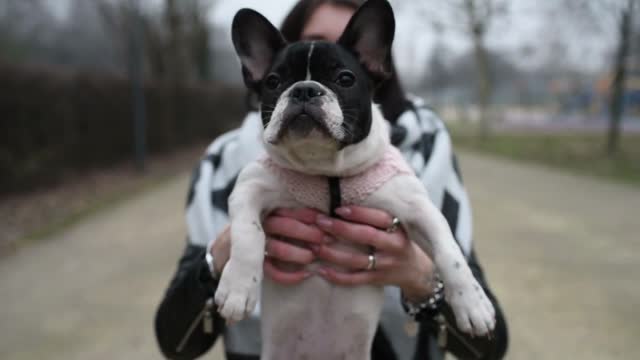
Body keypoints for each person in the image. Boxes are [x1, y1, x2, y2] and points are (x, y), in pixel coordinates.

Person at [154, 1, 509, 359]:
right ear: (265, 63)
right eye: (283, 78)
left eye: (339, 73)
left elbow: (489, 348)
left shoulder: (417, 157)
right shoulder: (229, 164)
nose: (308, 91)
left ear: (374, 62)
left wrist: (422, 279)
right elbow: (174, 343)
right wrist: (225, 256)